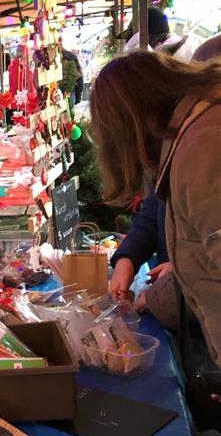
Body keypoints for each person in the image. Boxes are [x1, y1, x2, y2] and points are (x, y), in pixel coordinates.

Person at [89, 50, 221, 374]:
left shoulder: (202, 149)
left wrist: (159, 295)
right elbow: (159, 205)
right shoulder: (187, 135)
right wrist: (127, 258)